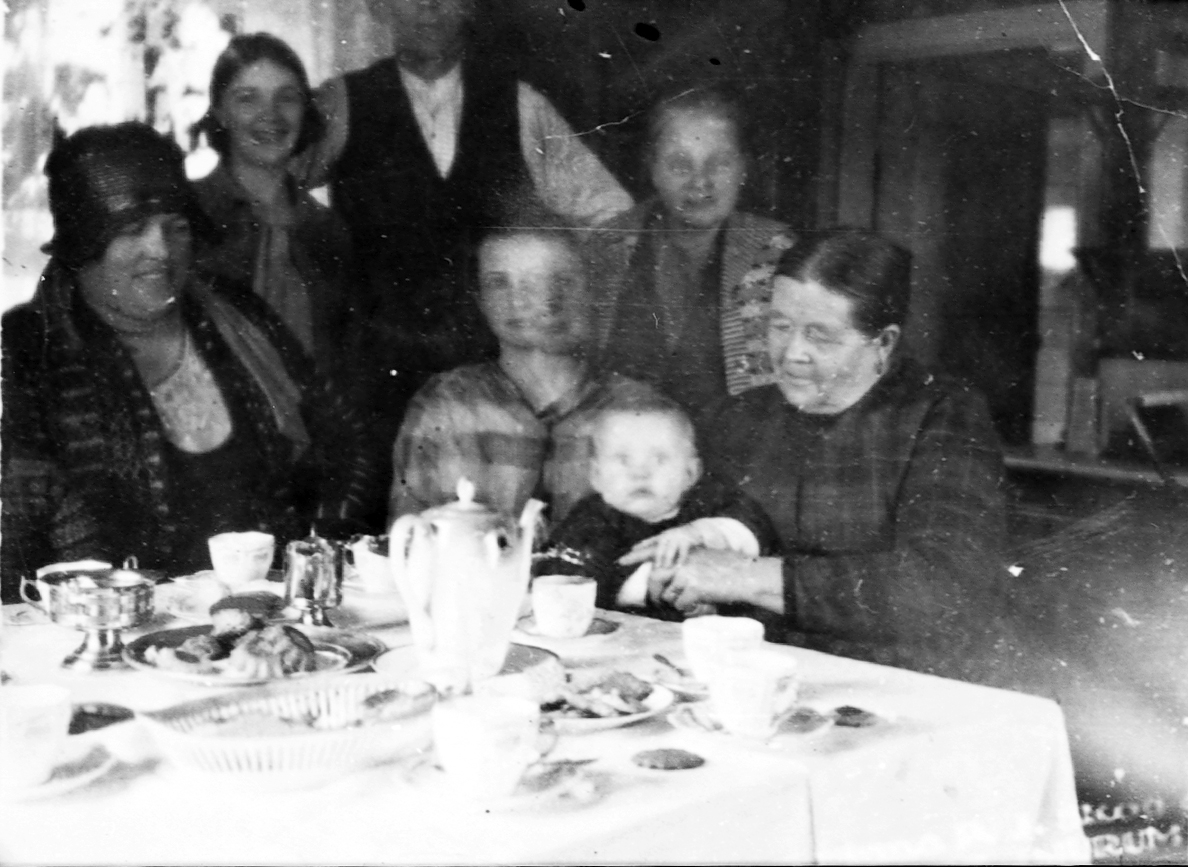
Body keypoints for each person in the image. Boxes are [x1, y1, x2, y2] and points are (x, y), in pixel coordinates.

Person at [0, 123, 371, 598]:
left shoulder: (239, 317)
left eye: (176, 228)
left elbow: (345, 439)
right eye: (132, 230)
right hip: (108, 625)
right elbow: (14, 534)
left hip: (268, 616)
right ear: (84, 245)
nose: (161, 250)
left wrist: (319, 547)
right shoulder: (27, 352)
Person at [643, 229, 1016, 683]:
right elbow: (681, 554)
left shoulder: (942, 415)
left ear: (883, 343)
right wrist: (683, 588)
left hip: (897, 685)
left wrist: (748, 577)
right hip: (753, 680)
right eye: (780, 326)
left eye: (819, 336)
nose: (791, 354)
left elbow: (945, 586)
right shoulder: (740, 417)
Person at [296, 0, 633, 496]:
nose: (430, 7)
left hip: (496, 387)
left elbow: (613, 218)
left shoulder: (518, 103)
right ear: (382, 7)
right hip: (376, 378)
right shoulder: (343, 102)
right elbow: (269, 188)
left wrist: (566, 304)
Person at [389, 210, 655, 526]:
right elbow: (406, 538)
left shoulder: (639, 409)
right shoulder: (447, 405)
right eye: (499, 283)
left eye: (558, 280)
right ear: (480, 299)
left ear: (590, 289)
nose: (524, 300)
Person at [586, 85, 795, 416]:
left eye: (720, 163)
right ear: (652, 167)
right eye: (680, 164)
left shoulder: (779, 250)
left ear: (744, 168)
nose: (701, 182)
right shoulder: (605, 245)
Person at [192, 33, 354, 376]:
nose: (271, 115)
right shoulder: (188, 217)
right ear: (220, 112)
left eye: (287, 98)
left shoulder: (327, 230)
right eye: (247, 98)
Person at [537, 393, 778, 616]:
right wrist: (663, 584)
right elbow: (562, 577)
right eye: (623, 459)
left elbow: (752, 526)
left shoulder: (711, 502)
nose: (640, 472)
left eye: (659, 458)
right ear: (596, 475)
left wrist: (699, 533)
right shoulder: (589, 521)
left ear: (690, 473)